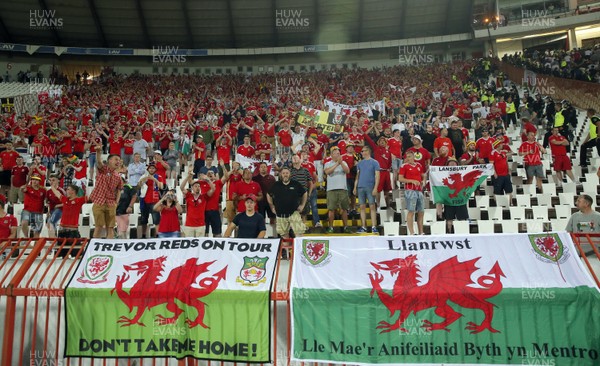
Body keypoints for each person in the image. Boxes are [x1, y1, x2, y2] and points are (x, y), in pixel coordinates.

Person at [89, 145, 123, 239]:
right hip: (99, 201)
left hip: (111, 203)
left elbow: (119, 190)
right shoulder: (104, 170)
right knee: (98, 227)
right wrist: (98, 152)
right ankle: (94, 248)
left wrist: (116, 202)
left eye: (119, 160)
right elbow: (99, 162)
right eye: (116, 159)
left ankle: (109, 248)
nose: (118, 162)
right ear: (109, 161)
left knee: (110, 227)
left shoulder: (118, 177)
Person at [267, 166, 307, 239]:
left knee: (299, 233)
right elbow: (268, 194)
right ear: (281, 175)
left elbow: (305, 193)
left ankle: (298, 250)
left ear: (290, 174)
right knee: (284, 235)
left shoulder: (296, 184)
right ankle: (287, 250)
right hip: (280, 214)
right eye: (283, 173)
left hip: (294, 213)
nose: (285, 174)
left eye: (287, 173)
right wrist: (272, 206)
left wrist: (302, 205)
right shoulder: (276, 185)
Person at [324, 147, 352, 233]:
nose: (338, 155)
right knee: (331, 209)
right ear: (331, 155)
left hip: (343, 189)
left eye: (339, 154)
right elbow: (327, 172)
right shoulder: (328, 163)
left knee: (344, 209)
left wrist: (341, 163)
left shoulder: (344, 163)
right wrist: (337, 164)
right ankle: (331, 227)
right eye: (336, 153)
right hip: (331, 189)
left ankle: (346, 227)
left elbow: (347, 171)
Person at [53, 184, 87, 255]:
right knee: (61, 255)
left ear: (73, 191)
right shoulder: (65, 200)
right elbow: (57, 193)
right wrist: (52, 186)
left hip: (73, 231)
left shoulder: (79, 200)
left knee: (77, 255)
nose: (66, 191)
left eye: (68, 189)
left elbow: (91, 196)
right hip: (62, 231)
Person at [398, 150, 426, 235]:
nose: (408, 158)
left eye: (410, 156)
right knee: (411, 211)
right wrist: (412, 181)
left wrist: (423, 181)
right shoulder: (404, 166)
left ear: (414, 157)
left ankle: (421, 232)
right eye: (407, 157)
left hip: (419, 191)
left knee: (421, 211)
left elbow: (423, 175)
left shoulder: (419, 165)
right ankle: (412, 232)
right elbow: (400, 179)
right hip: (410, 190)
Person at [353, 145, 380, 234]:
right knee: (362, 207)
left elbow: (377, 176)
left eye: (363, 151)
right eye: (361, 151)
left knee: (372, 206)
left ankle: (373, 226)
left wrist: (375, 187)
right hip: (361, 187)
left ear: (368, 151)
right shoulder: (360, 163)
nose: (362, 153)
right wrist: (355, 187)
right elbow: (357, 176)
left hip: (370, 186)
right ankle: (363, 226)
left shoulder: (375, 162)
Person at [179, 173, 214, 237]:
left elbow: (213, 189)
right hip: (189, 224)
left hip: (200, 225)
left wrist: (208, 180)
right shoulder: (189, 195)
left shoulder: (204, 197)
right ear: (192, 188)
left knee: (200, 245)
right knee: (189, 245)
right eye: (195, 186)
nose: (197, 188)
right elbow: (181, 187)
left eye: (198, 186)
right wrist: (188, 177)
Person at [442, 158, 469, 233]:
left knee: (462, 219)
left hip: (460, 200)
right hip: (449, 201)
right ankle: (450, 233)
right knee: (449, 219)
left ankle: (463, 233)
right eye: (450, 163)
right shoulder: (443, 175)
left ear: (457, 165)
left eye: (454, 163)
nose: (452, 165)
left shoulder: (462, 173)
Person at [138, 163, 165, 238]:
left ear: (155, 170)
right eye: (150, 168)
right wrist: (143, 180)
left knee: (156, 219)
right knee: (143, 219)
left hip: (154, 200)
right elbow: (139, 186)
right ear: (148, 169)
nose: (151, 169)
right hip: (144, 200)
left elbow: (161, 186)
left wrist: (154, 179)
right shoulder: (144, 176)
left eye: (153, 168)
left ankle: (157, 235)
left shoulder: (158, 176)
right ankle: (143, 235)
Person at [20, 174, 46, 238]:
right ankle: (26, 238)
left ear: (39, 181)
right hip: (27, 210)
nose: (34, 181)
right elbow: (22, 189)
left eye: (36, 180)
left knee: (38, 230)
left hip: (38, 212)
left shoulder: (43, 190)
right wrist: (23, 187)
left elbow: (45, 201)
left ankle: (35, 245)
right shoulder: (28, 188)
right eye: (33, 179)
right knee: (24, 223)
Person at [115, 174, 138, 239]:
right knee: (118, 230)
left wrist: (130, 206)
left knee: (123, 230)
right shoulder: (114, 187)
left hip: (124, 211)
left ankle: (124, 242)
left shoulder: (128, 187)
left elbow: (134, 196)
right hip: (115, 211)